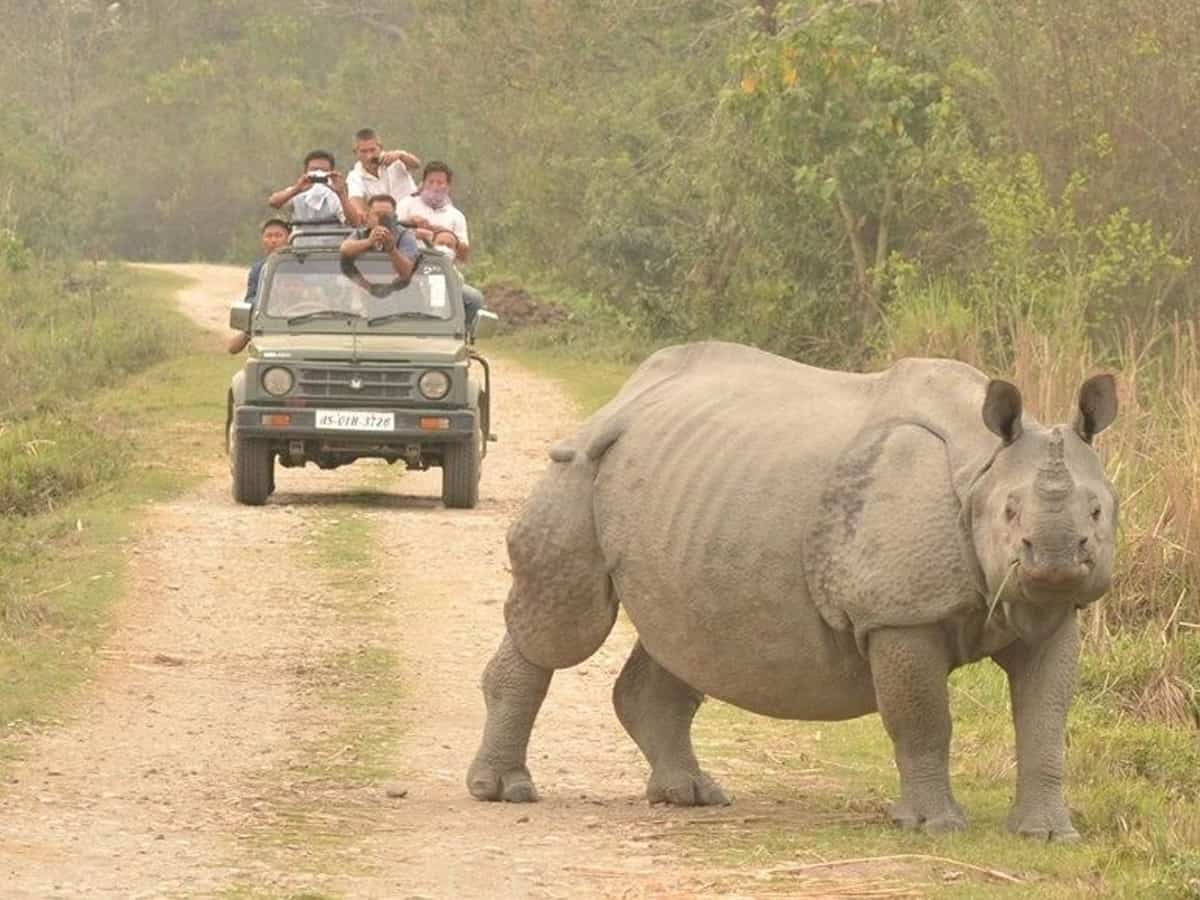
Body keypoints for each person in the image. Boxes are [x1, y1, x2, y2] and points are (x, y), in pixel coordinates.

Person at [227, 218, 290, 353]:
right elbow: (250, 301)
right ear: (263, 241)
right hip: (267, 324)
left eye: (278, 236)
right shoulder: (258, 270)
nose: (273, 240)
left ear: (288, 239)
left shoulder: (300, 267)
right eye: (269, 236)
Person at [345, 128, 421, 226]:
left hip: (414, 218)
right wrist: (360, 212)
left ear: (380, 148)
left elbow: (416, 165)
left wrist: (402, 155)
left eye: (372, 150)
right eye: (363, 151)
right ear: (355, 153)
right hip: (386, 225)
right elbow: (356, 202)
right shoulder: (354, 176)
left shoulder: (397, 160)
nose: (369, 156)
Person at [397, 161, 470, 263]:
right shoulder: (406, 204)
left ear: (448, 186)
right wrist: (411, 225)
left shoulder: (456, 216)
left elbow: (463, 255)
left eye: (440, 183)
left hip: (441, 267)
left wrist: (443, 234)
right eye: (430, 182)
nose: (435, 187)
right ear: (423, 183)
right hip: (409, 264)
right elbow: (393, 234)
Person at [339, 194, 420, 281]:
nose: (382, 219)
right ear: (367, 217)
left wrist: (392, 250)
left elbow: (406, 272)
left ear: (395, 218)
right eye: (377, 214)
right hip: (367, 284)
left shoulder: (405, 235)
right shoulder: (361, 233)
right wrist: (369, 241)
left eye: (387, 215)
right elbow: (344, 249)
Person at [267, 150, 352, 224]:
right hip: (302, 242)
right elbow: (273, 202)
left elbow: (353, 223)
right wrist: (296, 190)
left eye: (324, 171)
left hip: (332, 242)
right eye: (314, 170)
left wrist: (341, 194)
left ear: (331, 173)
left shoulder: (335, 196)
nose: (318, 173)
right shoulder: (296, 191)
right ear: (305, 171)